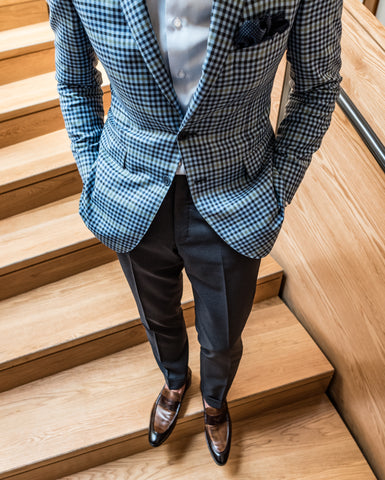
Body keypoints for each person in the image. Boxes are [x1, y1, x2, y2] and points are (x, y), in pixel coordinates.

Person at [48, 0, 343, 466]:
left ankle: (215, 400)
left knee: (224, 332)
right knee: (157, 315)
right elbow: (75, 79)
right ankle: (174, 379)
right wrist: (95, 169)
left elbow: (318, 86)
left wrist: (276, 188)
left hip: (239, 193)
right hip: (130, 188)